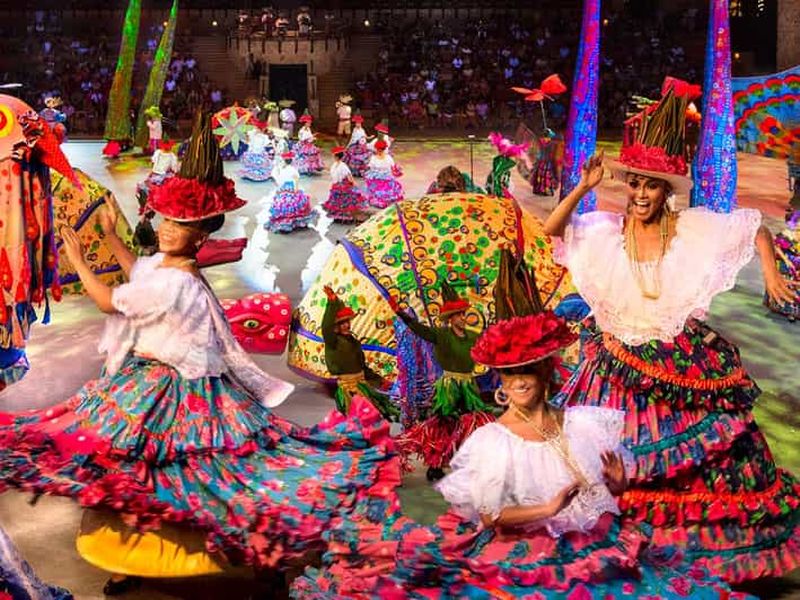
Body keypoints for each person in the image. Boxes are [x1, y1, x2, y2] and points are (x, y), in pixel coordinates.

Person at [0, 115, 397, 595]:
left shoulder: (175, 283)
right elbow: (141, 270)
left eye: (180, 225)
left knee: (191, 472)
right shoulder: (168, 267)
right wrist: (109, 236)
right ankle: (134, 558)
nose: (168, 230)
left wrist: (80, 261)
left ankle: (251, 550)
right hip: (152, 378)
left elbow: (111, 301)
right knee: (145, 469)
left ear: (201, 236)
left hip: (178, 389)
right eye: (166, 220)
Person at [290, 250, 748, 599]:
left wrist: (617, 485)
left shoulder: (583, 424)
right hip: (525, 551)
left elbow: (601, 498)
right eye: (511, 376)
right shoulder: (493, 442)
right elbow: (490, 516)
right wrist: (547, 509)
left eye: (529, 372)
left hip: (591, 543)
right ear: (501, 383)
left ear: (547, 373)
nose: (521, 382)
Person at [544, 87, 800, 583]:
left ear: (667, 192)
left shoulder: (689, 229)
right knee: (603, 461)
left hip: (674, 361)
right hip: (616, 364)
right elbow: (554, 230)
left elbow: (754, 228)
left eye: (652, 187)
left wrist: (771, 276)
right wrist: (582, 186)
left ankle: (680, 552)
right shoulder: (606, 230)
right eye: (635, 184)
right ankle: (614, 545)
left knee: (697, 460)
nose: (641, 195)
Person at [391, 282, 492, 482]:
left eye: (463, 314)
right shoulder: (441, 335)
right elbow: (420, 330)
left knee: (473, 422)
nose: (463, 317)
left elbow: (489, 345)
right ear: (450, 318)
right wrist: (402, 315)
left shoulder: (472, 337)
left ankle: (470, 462)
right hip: (448, 387)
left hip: (468, 387)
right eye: (458, 315)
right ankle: (435, 464)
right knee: (442, 424)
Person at [321, 285, 400, 421]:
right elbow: (326, 327)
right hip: (348, 389)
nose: (347, 325)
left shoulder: (354, 341)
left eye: (347, 322)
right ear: (335, 327)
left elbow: (362, 367)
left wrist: (380, 381)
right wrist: (332, 303)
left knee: (371, 416)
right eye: (342, 323)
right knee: (356, 419)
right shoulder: (332, 341)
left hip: (362, 386)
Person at [764, 189, 800, 320]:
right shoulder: (787, 233)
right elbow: (776, 244)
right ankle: (785, 308)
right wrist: (787, 260)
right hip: (787, 264)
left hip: (795, 262)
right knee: (787, 285)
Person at [264, 151, 316, 232]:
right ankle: (294, 221)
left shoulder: (283, 170)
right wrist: (296, 190)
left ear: (284, 161)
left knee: (282, 204)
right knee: (295, 204)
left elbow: (279, 181)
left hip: (283, 188)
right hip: (292, 187)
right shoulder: (293, 170)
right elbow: (296, 180)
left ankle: (283, 221)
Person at [322, 146, 368, 223]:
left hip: (341, 185)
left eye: (334, 156)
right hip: (339, 185)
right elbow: (344, 175)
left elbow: (348, 175)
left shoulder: (340, 166)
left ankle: (341, 217)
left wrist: (353, 183)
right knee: (342, 202)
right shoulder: (337, 165)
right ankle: (341, 216)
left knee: (341, 202)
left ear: (336, 157)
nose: (333, 157)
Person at [364, 140, 403, 209]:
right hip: (380, 177)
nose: (379, 151)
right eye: (378, 150)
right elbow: (393, 167)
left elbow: (370, 167)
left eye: (380, 150)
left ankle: (381, 200)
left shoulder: (381, 158)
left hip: (382, 177)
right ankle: (382, 199)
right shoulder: (383, 158)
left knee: (379, 188)